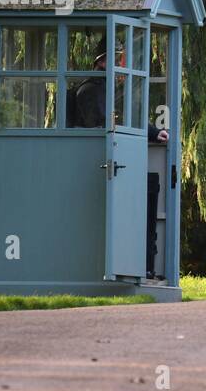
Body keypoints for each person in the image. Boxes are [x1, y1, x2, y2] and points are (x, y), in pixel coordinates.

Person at [67, 44, 170, 280]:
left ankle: (141, 265)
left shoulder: (108, 90)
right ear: (103, 63)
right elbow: (106, 125)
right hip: (98, 162)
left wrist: (154, 132)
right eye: (119, 61)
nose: (124, 67)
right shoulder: (90, 91)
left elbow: (126, 120)